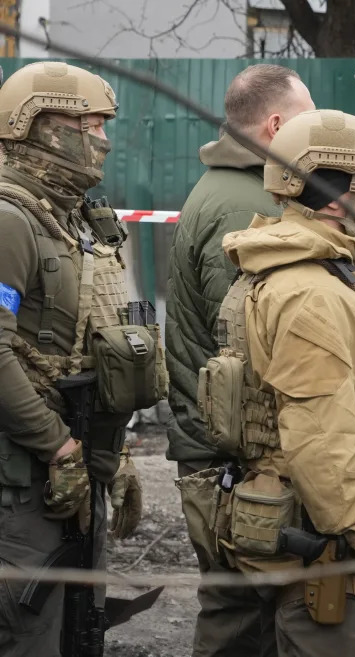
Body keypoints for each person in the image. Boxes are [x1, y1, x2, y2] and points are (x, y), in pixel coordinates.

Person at [204, 109, 355, 656]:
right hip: (320, 542)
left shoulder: (288, 271)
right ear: (334, 194)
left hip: (295, 523)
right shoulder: (313, 294)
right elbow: (322, 449)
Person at [0, 61, 160, 651]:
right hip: (18, 487)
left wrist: (107, 457)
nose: (104, 138)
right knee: (27, 635)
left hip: (64, 473)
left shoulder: (71, 220)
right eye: (90, 122)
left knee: (75, 631)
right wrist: (59, 447)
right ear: (41, 125)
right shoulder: (10, 219)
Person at [165, 63, 314, 657]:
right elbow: (254, 338)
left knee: (239, 607)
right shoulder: (245, 204)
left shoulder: (239, 187)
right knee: (240, 617)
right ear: (275, 126)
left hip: (222, 444)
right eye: (307, 123)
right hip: (231, 451)